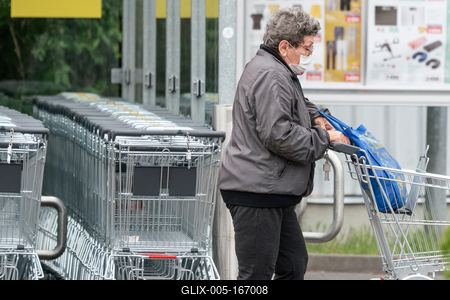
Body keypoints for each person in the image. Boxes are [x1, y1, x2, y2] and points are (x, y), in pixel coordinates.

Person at [217, 7, 350, 280]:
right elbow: (279, 134)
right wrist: (325, 138)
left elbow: (291, 105)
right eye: (307, 47)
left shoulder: (276, 68)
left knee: (292, 264)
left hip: (269, 189)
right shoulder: (272, 74)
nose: (309, 55)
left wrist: (314, 117)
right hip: (257, 191)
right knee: (256, 276)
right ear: (285, 45)